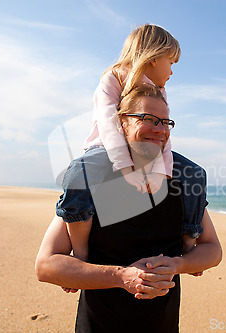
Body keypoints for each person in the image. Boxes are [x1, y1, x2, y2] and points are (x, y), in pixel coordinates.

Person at [35, 84, 222, 332]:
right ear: (121, 123)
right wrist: (122, 277)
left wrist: (178, 264)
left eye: (165, 122)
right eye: (148, 119)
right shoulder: (95, 181)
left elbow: (212, 249)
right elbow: (46, 265)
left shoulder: (180, 185)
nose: (159, 129)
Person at [73, 24, 200, 266]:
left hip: (147, 150)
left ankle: (189, 237)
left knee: (196, 174)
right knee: (76, 175)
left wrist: (161, 172)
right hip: (105, 148)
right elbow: (109, 125)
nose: (172, 72)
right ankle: (80, 250)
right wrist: (126, 169)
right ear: (153, 58)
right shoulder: (114, 78)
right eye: (170, 63)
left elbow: (164, 132)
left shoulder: (160, 90)